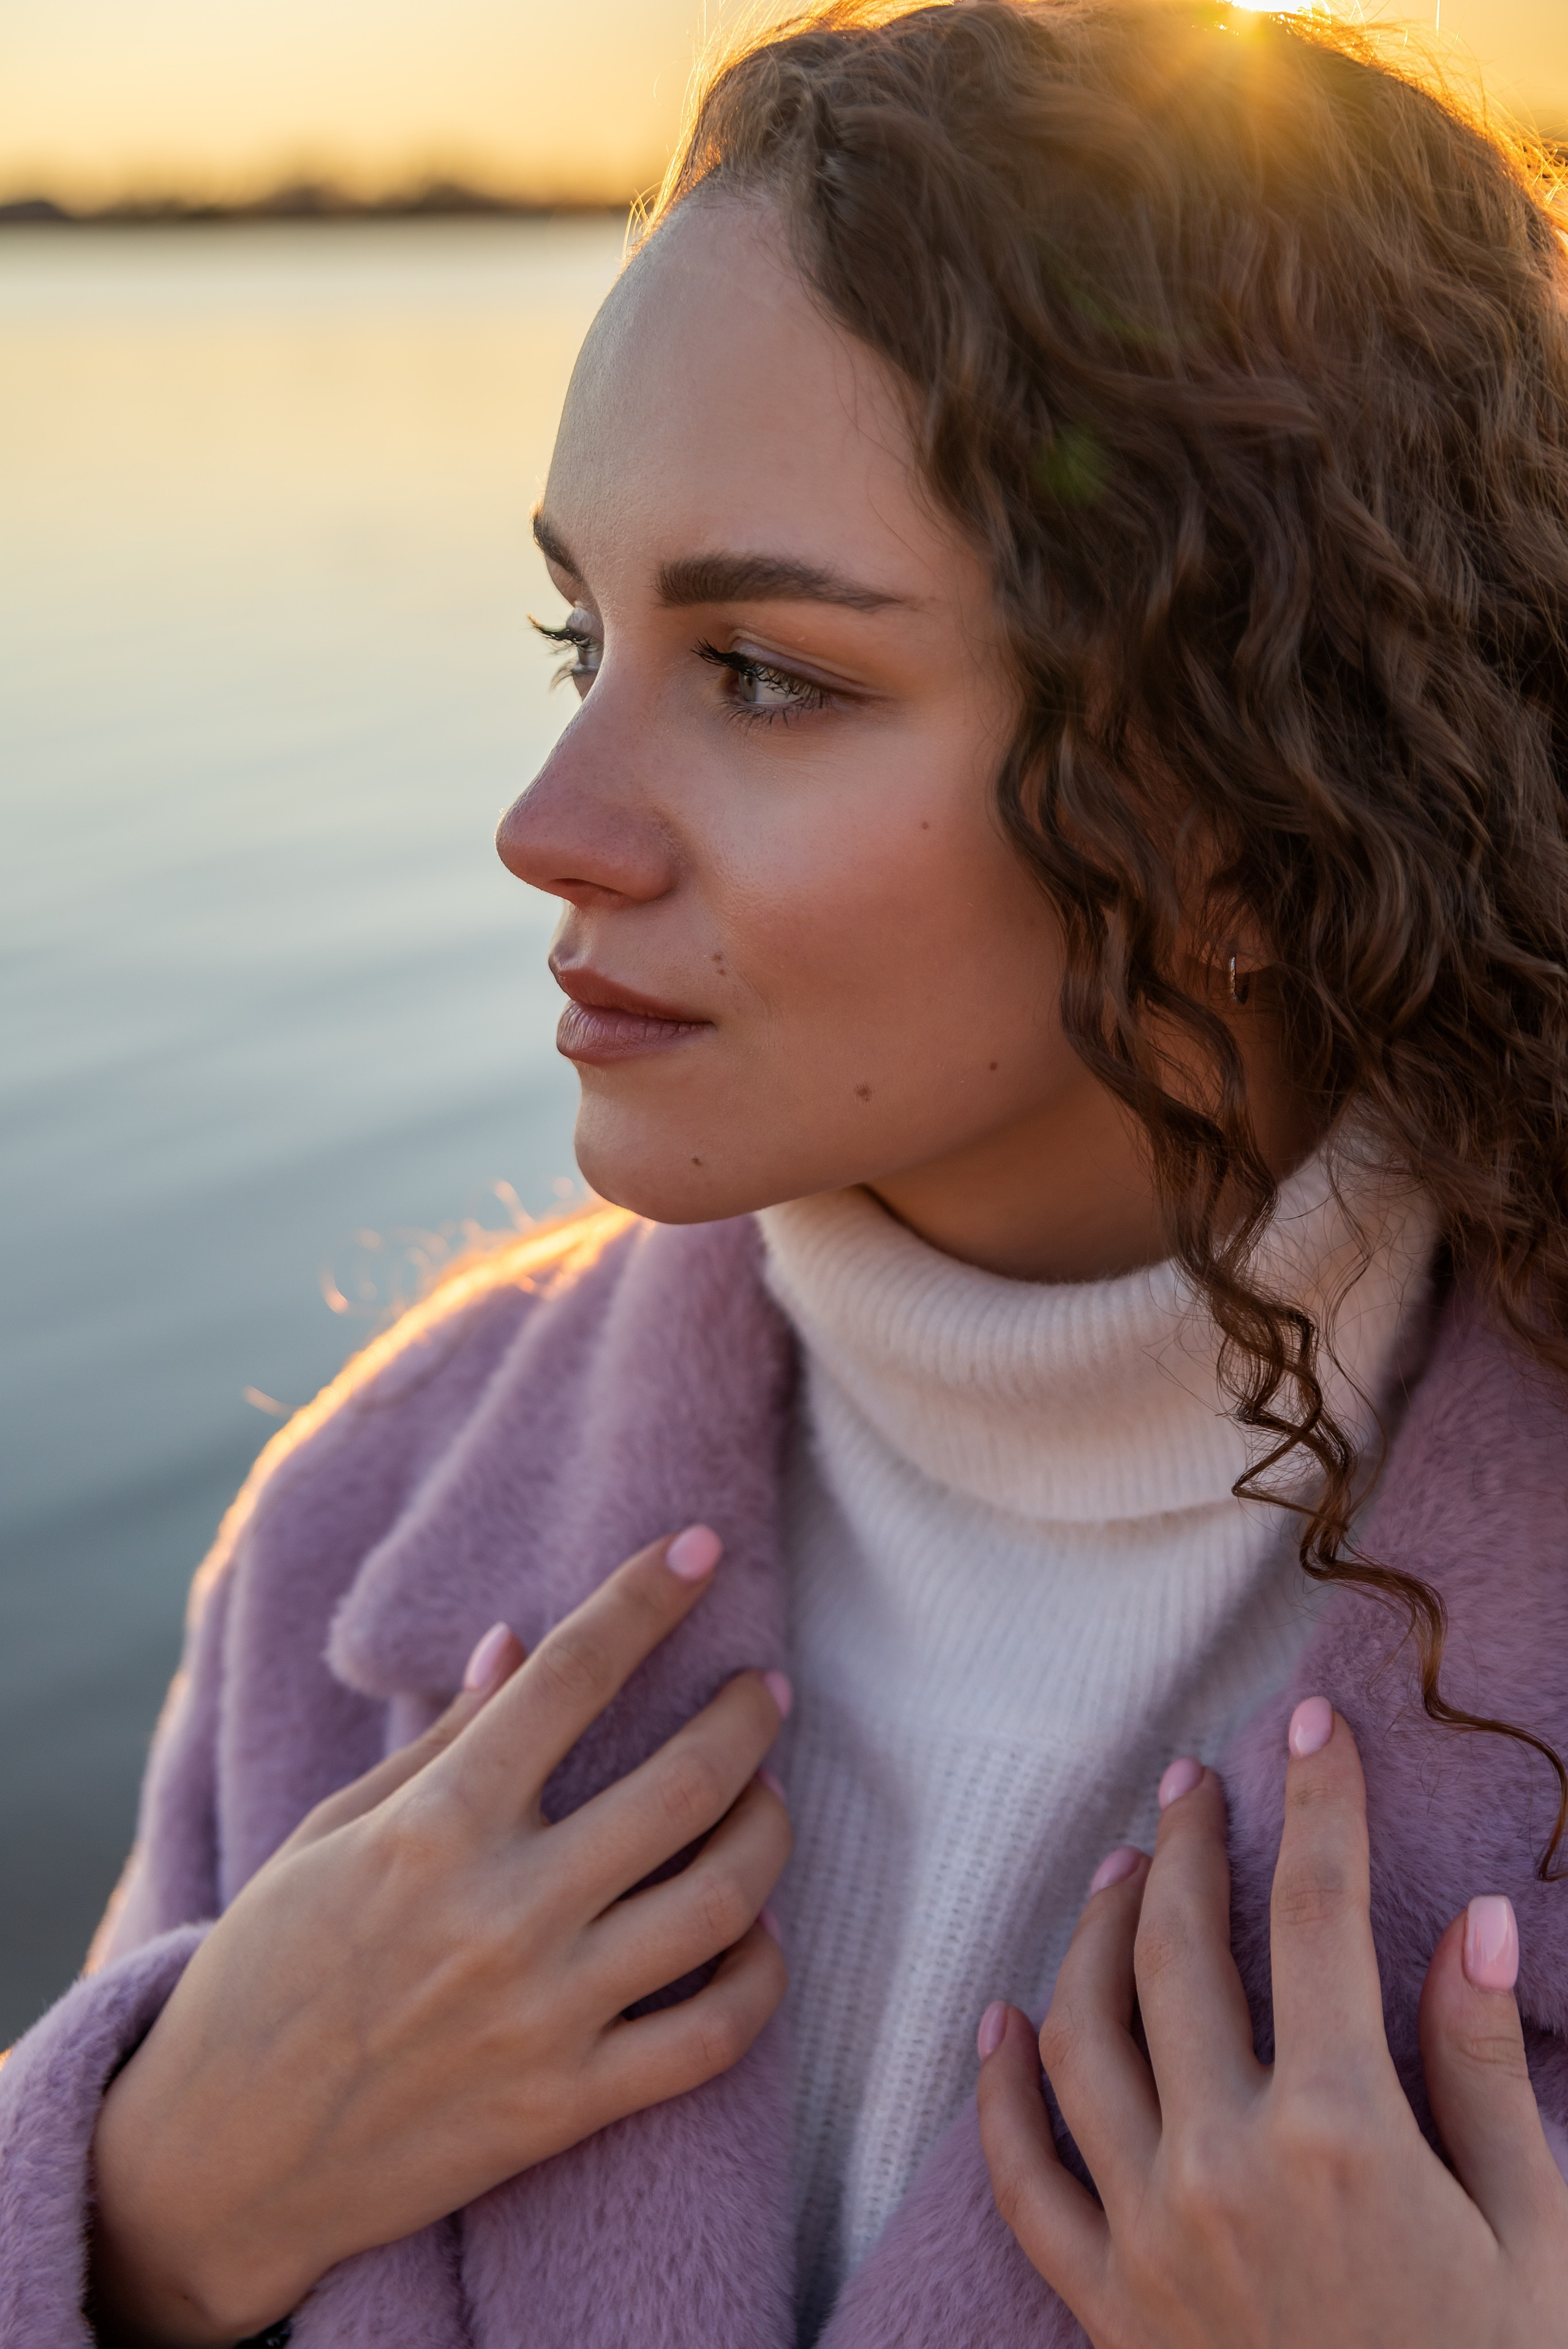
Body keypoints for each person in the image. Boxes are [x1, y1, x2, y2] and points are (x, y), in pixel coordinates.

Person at [7, 1, 1568, 2341]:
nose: (549, 827)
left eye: (766, 672)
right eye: (580, 632)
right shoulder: (373, 1526)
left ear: (1257, 776)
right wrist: (150, 2197)